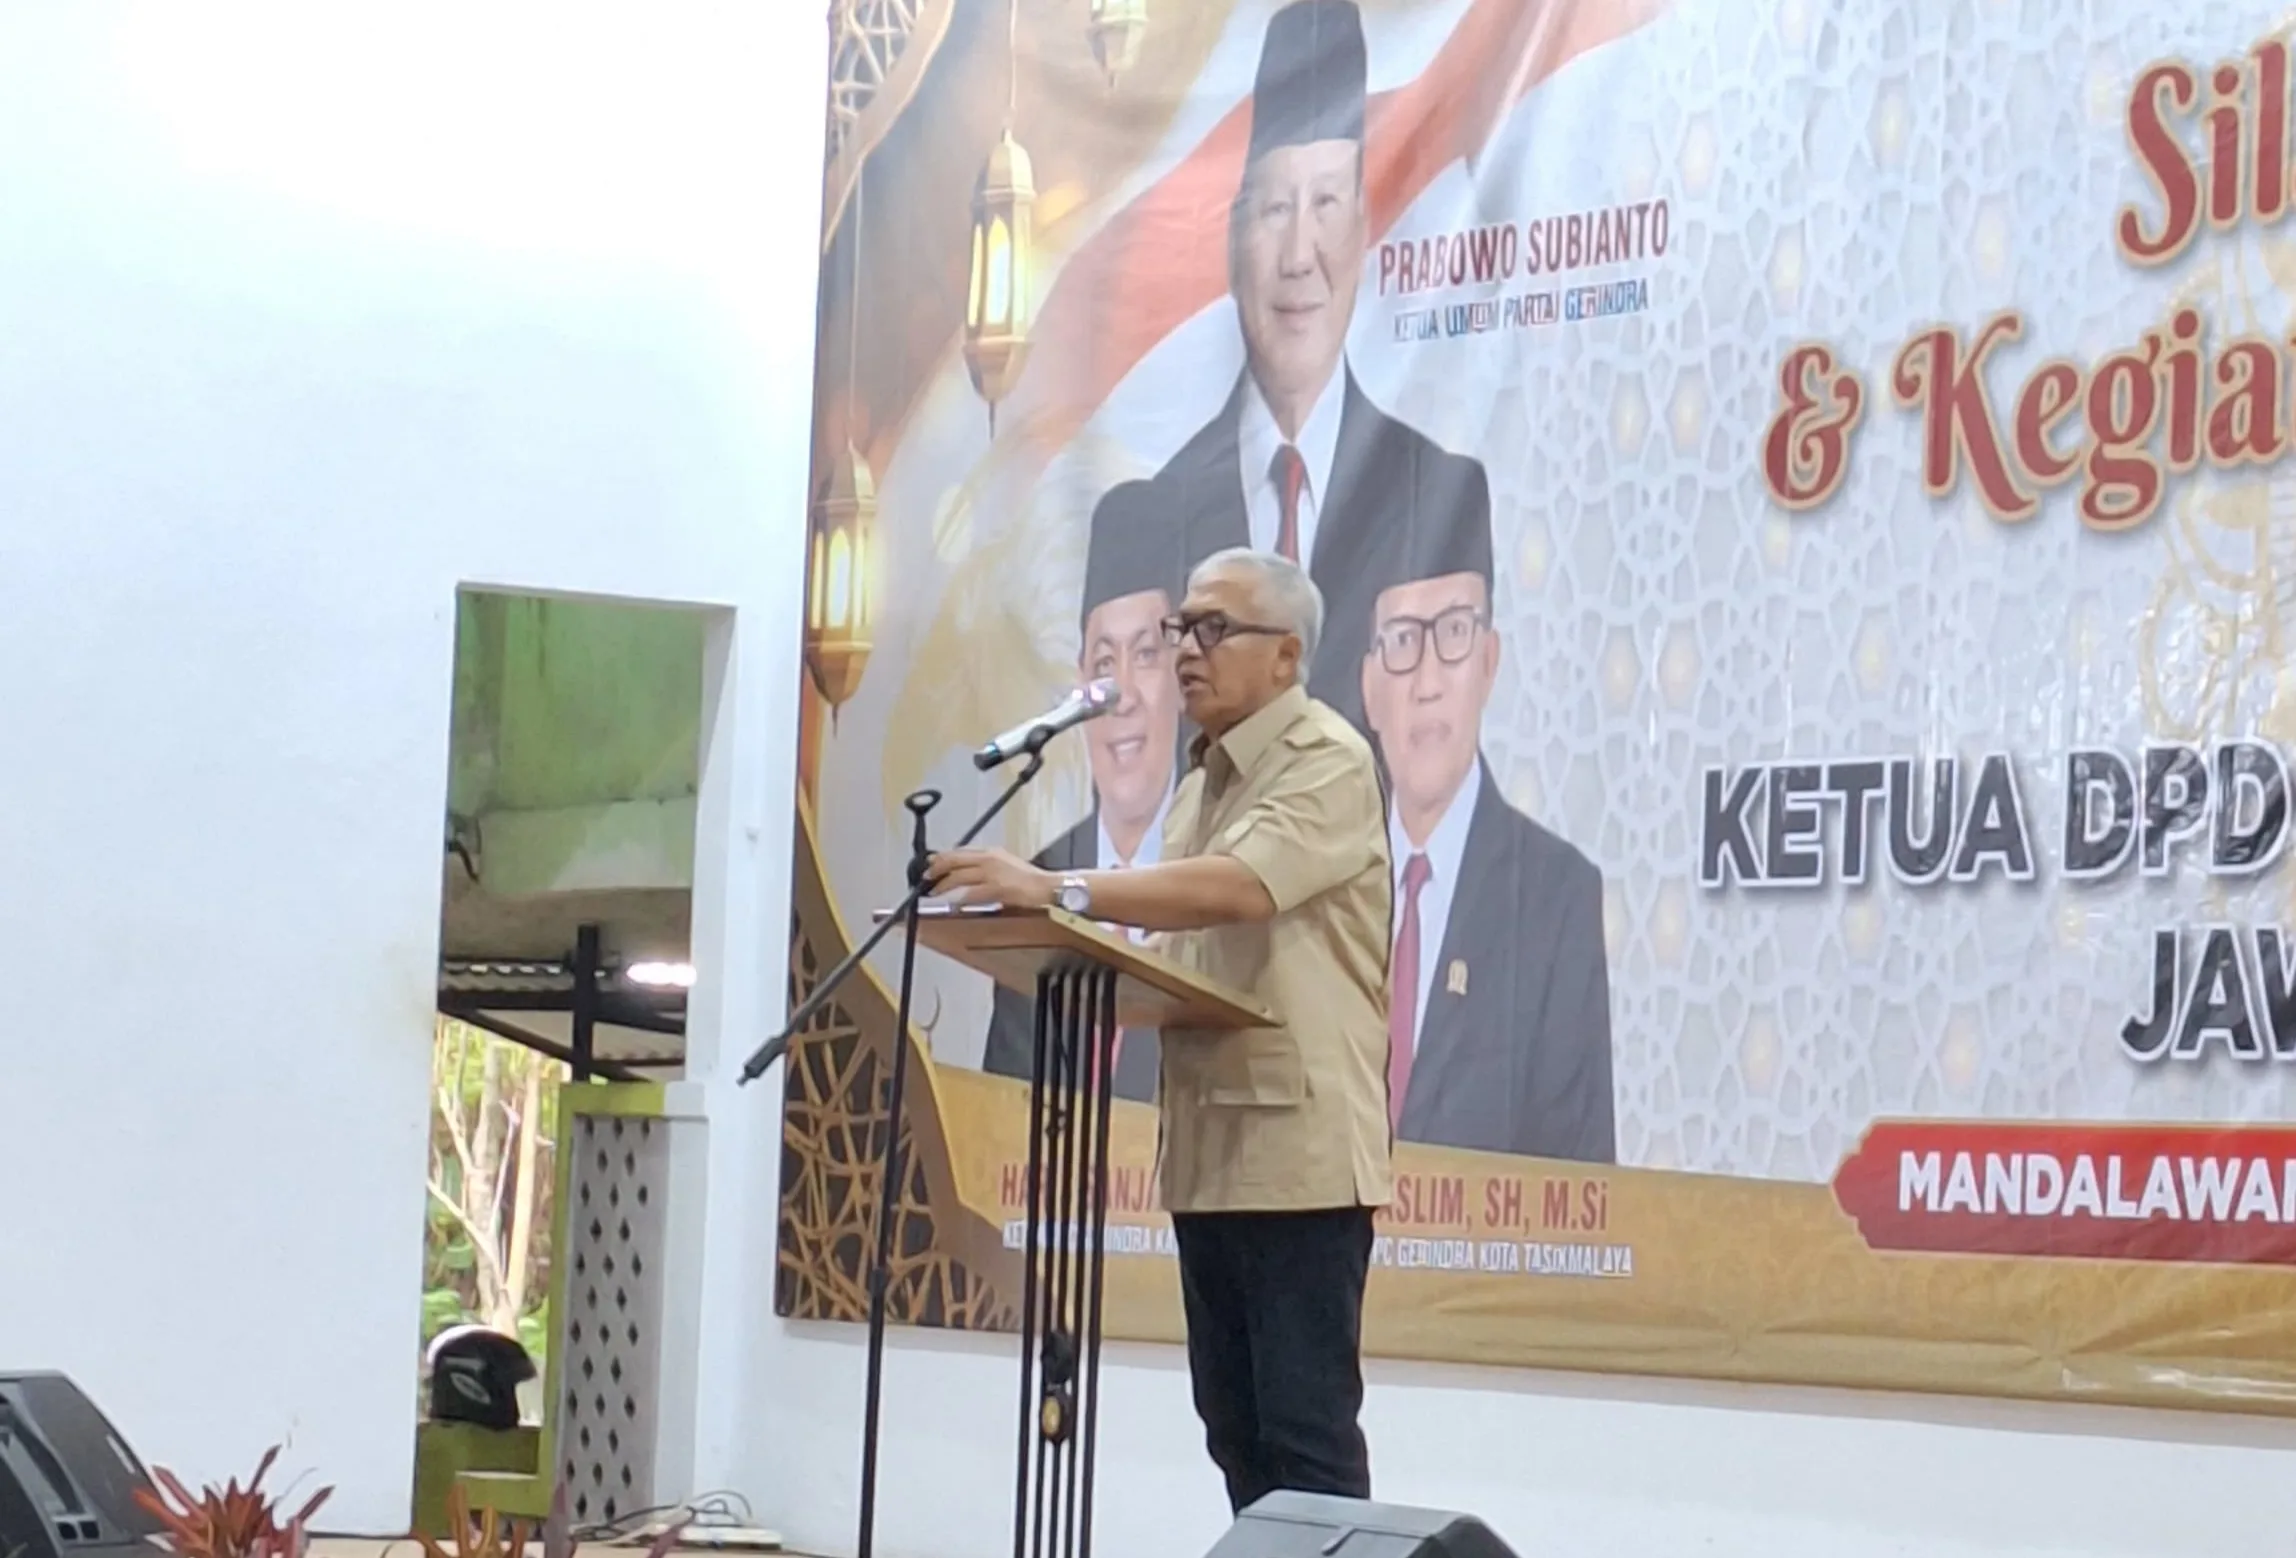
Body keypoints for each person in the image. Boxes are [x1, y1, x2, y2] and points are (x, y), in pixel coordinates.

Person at [928, 548, 1392, 1513]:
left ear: (1287, 654)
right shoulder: (1199, 785)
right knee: (1234, 1429)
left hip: (1299, 1163)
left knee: (1305, 1437)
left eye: (1213, 629)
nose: (1186, 650)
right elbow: (1179, 959)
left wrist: (1057, 889)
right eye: (1183, 627)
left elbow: (1238, 889)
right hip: (1209, 1155)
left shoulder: (1328, 759)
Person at [1131, 0, 1488, 739]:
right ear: (1232, 241)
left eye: (1325, 203)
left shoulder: (1436, 491)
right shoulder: (1153, 512)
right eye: (1273, 210)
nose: (1299, 256)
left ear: (1362, 229)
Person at [1359, 513, 1616, 1163]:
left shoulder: (1555, 896)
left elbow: (1580, 1173)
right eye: (1401, 642)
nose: (1427, 682)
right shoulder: (1327, 882)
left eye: (1453, 633)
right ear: (1369, 687)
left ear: (1489, 662)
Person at [979, 480, 1182, 1100]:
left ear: (1182, 677)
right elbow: (1007, 1094)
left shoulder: (1213, 874)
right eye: (1103, 664)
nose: (1122, 696)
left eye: (1146, 656)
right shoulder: (1041, 878)